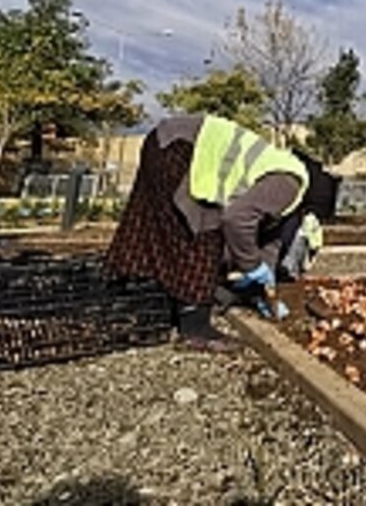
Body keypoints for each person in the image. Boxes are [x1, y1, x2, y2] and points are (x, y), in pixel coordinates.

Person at [105, 114, 338, 349]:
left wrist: (261, 287)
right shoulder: (289, 184)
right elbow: (236, 219)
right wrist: (252, 266)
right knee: (201, 234)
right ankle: (196, 329)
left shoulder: (285, 177)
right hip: (182, 147)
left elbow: (270, 240)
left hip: (165, 139)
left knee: (157, 227)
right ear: (309, 205)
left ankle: (129, 295)